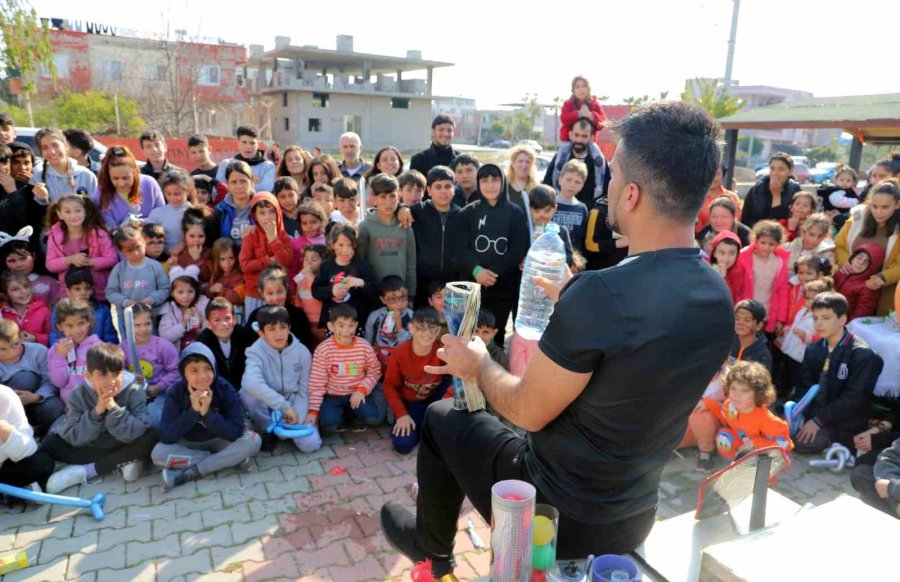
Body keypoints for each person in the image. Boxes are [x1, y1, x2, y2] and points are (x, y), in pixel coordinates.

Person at [379, 102, 732, 577]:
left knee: (444, 417)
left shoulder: (601, 295)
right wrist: (574, 299)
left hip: (552, 514)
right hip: (633, 514)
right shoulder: (717, 296)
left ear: (630, 194)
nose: (603, 187)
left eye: (612, 174)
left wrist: (478, 364)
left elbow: (526, 410)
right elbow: (643, 359)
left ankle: (432, 548)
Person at [41, 343, 157, 493]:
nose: (111, 381)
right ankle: (123, 461)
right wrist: (96, 412)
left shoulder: (134, 389)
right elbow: (72, 434)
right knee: (50, 443)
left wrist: (114, 408)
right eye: (102, 374)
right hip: (92, 444)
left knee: (153, 435)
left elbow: (139, 429)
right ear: (88, 376)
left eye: (116, 373)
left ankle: (88, 470)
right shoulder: (78, 394)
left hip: (122, 441)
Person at [154, 343, 261, 490]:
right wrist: (193, 411)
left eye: (207, 369)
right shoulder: (175, 392)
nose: (202, 377)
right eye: (194, 371)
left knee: (253, 441)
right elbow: (166, 435)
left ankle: (192, 472)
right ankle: (229, 459)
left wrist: (207, 414)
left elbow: (235, 431)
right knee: (158, 454)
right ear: (183, 373)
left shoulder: (224, 388)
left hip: (221, 440)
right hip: (190, 445)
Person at [793, 292, 883, 454]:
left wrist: (818, 421)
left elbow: (853, 400)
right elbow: (804, 386)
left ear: (842, 319)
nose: (819, 324)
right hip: (816, 413)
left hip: (843, 421)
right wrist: (799, 415)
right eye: (815, 318)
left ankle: (836, 442)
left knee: (800, 443)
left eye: (826, 318)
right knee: (782, 430)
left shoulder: (863, 356)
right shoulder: (814, 349)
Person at [458, 163, 529, 348]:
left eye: (495, 180)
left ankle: (493, 374)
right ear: (479, 183)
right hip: (472, 284)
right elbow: (460, 247)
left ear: (503, 182)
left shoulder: (515, 213)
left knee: (496, 333)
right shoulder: (469, 212)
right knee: (468, 332)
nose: (490, 185)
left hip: (502, 285)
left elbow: (519, 248)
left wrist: (493, 273)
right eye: (485, 180)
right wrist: (477, 270)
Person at [241, 305, 321, 453]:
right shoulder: (255, 351)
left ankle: (285, 429)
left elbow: (304, 391)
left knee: (311, 445)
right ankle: (268, 430)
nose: (279, 334)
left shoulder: (302, 352)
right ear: (261, 332)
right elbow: (250, 382)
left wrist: (295, 414)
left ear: (289, 327)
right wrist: (284, 407)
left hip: (293, 401)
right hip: (269, 403)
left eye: (283, 327)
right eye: (272, 329)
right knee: (248, 395)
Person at [690, 361, 792, 471]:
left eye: (745, 391)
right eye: (733, 388)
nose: (737, 395)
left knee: (761, 462)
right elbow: (723, 415)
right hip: (743, 444)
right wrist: (708, 403)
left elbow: (784, 443)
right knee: (724, 437)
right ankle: (737, 464)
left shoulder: (766, 419)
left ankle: (762, 478)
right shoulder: (730, 405)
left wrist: (756, 444)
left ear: (758, 393)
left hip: (766, 455)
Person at [383, 307, 451, 454]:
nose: (427, 333)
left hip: (435, 400)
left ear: (439, 330)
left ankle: (429, 425)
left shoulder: (442, 351)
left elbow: (456, 377)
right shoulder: (400, 353)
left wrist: (445, 403)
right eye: (421, 328)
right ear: (411, 328)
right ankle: (421, 425)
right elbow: (389, 386)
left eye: (433, 328)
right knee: (403, 444)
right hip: (409, 402)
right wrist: (401, 414)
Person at [307, 304, 382, 433]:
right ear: (330, 326)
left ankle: (353, 414)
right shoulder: (323, 349)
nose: (346, 330)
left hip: (356, 393)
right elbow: (317, 382)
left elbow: (375, 371)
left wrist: (362, 390)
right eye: (341, 325)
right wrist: (313, 411)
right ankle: (342, 416)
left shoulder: (363, 346)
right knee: (328, 426)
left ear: (356, 325)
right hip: (333, 395)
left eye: (351, 325)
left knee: (374, 419)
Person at [833, 178, 900, 316]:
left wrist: (883, 277)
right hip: (846, 290)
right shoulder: (857, 218)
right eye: (874, 206)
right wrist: (845, 261)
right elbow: (839, 245)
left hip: (884, 296)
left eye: (885, 207)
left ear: (897, 204)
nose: (878, 212)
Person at [45, 194, 117, 303]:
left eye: (78, 211)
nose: (73, 215)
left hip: (97, 290)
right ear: (60, 214)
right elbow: (50, 264)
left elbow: (112, 259)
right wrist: (70, 260)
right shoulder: (54, 236)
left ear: (85, 212)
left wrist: (91, 262)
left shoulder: (99, 234)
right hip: (70, 292)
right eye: (67, 211)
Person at [311, 223, 377, 335]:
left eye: (349, 245)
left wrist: (361, 283)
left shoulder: (362, 266)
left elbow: (374, 293)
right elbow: (315, 291)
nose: (345, 250)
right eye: (340, 245)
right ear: (332, 244)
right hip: (333, 324)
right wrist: (331, 290)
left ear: (355, 245)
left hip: (356, 323)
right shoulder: (326, 266)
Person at [410, 166, 462, 308]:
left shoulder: (463, 215)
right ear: (429, 190)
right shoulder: (416, 212)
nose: (443, 191)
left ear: (454, 188)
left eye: (447, 186)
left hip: (452, 285)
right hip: (422, 283)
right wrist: (402, 208)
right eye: (438, 187)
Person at [358, 174, 417, 299]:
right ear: (374, 200)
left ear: (399, 196)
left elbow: (411, 264)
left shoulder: (406, 226)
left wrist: (411, 295)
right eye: (382, 197)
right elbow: (360, 264)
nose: (388, 202)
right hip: (373, 294)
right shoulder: (364, 228)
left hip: (400, 296)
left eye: (392, 196)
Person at [0, 319, 62, 432]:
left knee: (55, 407)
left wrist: (36, 397)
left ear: (22, 338)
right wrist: (11, 399)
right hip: (7, 408)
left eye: (15, 344)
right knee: (24, 379)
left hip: (36, 400)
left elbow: (50, 380)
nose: (11, 352)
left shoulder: (38, 351)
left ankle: (45, 434)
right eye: (2, 349)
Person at [105, 225, 171, 331]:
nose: (135, 253)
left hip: (151, 317)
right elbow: (110, 292)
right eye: (129, 250)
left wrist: (152, 299)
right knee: (129, 345)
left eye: (138, 247)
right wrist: (125, 302)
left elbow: (165, 289)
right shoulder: (119, 269)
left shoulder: (155, 266)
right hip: (127, 318)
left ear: (144, 243)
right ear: (121, 251)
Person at [123, 303, 179, 426]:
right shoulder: (122, 348)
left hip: (161, 393)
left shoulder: (164, 346)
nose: (143, 329)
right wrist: (129, 377)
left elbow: (176, 372)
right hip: (134, 394)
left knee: (154, 418)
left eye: (147, 324)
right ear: (127, 326)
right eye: (136, 325)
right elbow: (118, 372)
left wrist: (158, 387)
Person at [776, 279, 833, 397]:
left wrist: (806, 336)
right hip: (791, 350)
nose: (810, 302)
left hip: (802, 355)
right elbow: (796, 324)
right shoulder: (803, 310)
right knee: (786, 375)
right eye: (807, 298)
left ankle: (796, 400)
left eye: (814, 299)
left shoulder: (823, 318)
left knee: (799, 379)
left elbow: (824, 338)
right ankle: (782, 395)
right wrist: (787, 330)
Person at [239, 192, 293, 314]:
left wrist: (273, 239)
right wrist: (268, 260)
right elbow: (245, 266)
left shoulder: (284, 237)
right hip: (255, 295)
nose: (268, 217)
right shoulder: (250, 236)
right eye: (262, 213)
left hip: (279, 295)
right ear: (255, 216)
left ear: (278, 213)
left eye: (272, 212)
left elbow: (286, 262)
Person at [91, 146, 165, 229]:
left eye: (126, 178)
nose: (121, 183)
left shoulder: (149, 184)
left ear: (135, 172)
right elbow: (105, 228)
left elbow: (162, 216)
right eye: (115, 178)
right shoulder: (101, 194)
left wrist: (141, 222)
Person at [736, 220, 790, 335]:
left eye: (771, 244)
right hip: (745, 312)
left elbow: (782, 292)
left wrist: (780, 319)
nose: (766, 247)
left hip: (766, 314)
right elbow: (737, 286)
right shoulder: (744, 257)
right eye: (763, 242)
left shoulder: (779, 262)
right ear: (755, 241)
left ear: (778, 244)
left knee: (759, 343)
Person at [542, 118, 610, 207]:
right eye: (576, 135)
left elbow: (606, 192)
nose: (579, 140)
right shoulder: (559, 160)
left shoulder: (598, 163)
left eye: (584, 136)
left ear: (592, 138)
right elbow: (546, 186)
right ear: (570, 135)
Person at [0, 383, 55, 492]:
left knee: (42, 462)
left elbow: (28, 449)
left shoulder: (5, 396)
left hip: (6, 463)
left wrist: (5, 431)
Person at [244, 265, 314, 349]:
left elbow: (305, 347)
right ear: (262, 293)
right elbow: (249, 348)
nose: (275, 298)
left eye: (279, 292)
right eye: (270, 293)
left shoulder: (298, 316)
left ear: (286, 289)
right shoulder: (255, 317)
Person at [196, 297, 256, 390]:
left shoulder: (247, 336)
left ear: (235, 319)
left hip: (245, 388)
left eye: (227, 318)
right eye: (216, 320)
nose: (224, 323)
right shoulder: (202, 343)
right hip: (216, 390)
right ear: (208, 324)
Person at [50, 269, 118, 345]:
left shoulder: (102, 310)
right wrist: (62, 348)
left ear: (92, 290)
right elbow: (55, 336)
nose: (83, 293)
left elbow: (111, 339)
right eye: (77, 289)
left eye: (87, 288)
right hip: (69, 352)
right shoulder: (60, 311)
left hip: (97, 353)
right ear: (68, 291)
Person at [29, 128, 98, 202]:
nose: (52, 152)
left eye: (55, 145)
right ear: (41, 152)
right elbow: (33, 211)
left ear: (65, 146)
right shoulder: (37, 179)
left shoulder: (86, 175)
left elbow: (96, 208)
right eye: (44, 148)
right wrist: (42, 200)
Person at [365, 275, 413, 379]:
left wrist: (399, 328)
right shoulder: (375, 317)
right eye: (393, 299)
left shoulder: (412, 318)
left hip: (403, 366)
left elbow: (411, 347)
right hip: (379, 365)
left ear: (407, 293)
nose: (399, 304)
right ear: (383, 299)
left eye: (403, 297)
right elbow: (367, 344)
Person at [740, 152, 802, 228]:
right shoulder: (756, 190)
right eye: (772, 169)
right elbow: (746, 219)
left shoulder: (795, 192)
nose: (775, 173)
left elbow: (781, 222)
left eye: (781, 169)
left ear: (790, 171)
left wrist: (776, 195)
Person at [0, 232, 60, 308]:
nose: (19, 265)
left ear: (33, 256)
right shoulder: (2, 284)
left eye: (23, 259)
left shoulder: (50, 283)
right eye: (12, 261)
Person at [146, 170, 196, 252]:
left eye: (177, 194)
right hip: (161, 256)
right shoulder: (157, 213)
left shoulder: (194, 213)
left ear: (187, 191)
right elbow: (149, 237)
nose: (172, 198)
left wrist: (183, 245)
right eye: (168, 194)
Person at [215, 126, 275, 193]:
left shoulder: (267, 166)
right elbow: (218, 191)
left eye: (252, 143)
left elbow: (265, 190)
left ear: (258, 144)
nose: (248, 146)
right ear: (238, 143)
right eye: (244, 142)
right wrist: (251, 182)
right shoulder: (226, 164)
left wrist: (232, 185)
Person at [160, 272, 208, 352]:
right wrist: (183, 323)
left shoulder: (203, 305)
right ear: (172, 293)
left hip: (201, 351)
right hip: (178, 354)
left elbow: (210, 333)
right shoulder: (169, 310)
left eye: (190, 291)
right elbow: (165, 337)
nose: (186, 296)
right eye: (180, 292)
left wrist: (201, 323)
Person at [834, 246, 884, 320]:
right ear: (852, 258)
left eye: (866, 262)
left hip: (844, 324)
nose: (860, 263)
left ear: (872, 267)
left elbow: (860, 315)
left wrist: (843, 325)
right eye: (859, 258)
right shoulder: (841, 272)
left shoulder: (868, 287)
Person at [0, 271, 51, 345]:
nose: (23, 291)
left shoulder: (44, 310)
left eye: (26, 286)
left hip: (38, 355)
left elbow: (54, 337)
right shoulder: (2, 314)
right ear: (4, 295)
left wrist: (36, 338)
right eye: (15, 289)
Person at [215, 161, 256, 249]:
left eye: (243, 181)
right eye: (234, 182)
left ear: (252, 181)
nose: (239, 186)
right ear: (227, 184)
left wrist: (258, 229)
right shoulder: (219, 210)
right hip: (229, 260)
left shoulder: (262, 205)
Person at [553, 160, 590, 255]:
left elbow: (582, 239)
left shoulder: (582, 209)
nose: (572, 185)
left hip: (574, 260)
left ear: (582, 186)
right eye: (569, 179)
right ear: (560, 179)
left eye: (577, 182)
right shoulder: (549, 204)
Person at [294, 244, 328, 346]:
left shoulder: (324, 278)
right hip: (306, 322)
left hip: (321, 324)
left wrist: (309, 276)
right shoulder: (301, 276)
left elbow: (318, 292)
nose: (308, 262)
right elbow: (298, 297)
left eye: (313, 259)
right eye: (306, 259)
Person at [695, 164, 742, 235]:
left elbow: (737, 222)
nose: (712, 178)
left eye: (716, 174)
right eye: (708, 174)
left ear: (723, 175)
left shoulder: (732, 197)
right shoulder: (696, 199)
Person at [731, 299, 773, 372]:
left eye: (747, 320)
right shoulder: (727, 342)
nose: (740, 322)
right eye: (737, 318)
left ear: (759, 325)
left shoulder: (762, 355)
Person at [188, 134, 228, 206]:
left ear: (209, 150)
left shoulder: (222, 172)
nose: (198, 156)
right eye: (193, 152)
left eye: (201, 151)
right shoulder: (191, 176)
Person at [205, 237, 245, 307]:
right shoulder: (215, 273)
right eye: (222, 259)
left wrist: (222, 290)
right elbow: (206, 292)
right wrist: (211, 290)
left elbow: (238, 298)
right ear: (216, 260)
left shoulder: (238, 276)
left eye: (231, 258)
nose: (227, 263)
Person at [710, 231, 745, 303]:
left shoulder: (740, 272)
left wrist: (723, 277)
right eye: (722, 253)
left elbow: (730, 297)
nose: (726, 258)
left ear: (738, 254)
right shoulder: (707, 269)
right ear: (714, 253)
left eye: (731, 253)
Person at [506, 145, 538, 220]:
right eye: (520, 161)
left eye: (528, 162)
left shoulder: (536, 189)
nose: (524, 165)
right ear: (512, 164)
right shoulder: (503, 187)